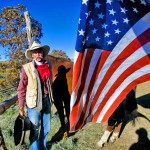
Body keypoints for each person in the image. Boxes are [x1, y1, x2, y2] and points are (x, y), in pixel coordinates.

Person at [17, 41, 53, 150]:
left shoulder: (48, 65)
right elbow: (21, 88)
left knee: (46, 128)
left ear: (43, 53)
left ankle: (43, 147)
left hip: (47, 100)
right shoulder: (27, 68)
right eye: (35, 52)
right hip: (33, 104)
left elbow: (49, 83)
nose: (38, 54)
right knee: (34, 129)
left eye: (40, 52)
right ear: (32, 55)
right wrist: (21, 106)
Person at [52, 65, 71, 139]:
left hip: (63, 96)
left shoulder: (61, 78)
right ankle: (65, 130)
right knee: (62, 114)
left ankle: (66, 129)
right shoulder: (60, 79)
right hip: (59, 97)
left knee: (65, 113)